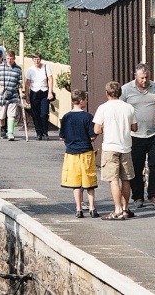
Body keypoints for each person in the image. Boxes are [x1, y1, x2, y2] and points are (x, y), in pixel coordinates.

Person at [121, 63, 155, 209]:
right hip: (135, 135)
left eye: (146, 77)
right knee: (136, 166)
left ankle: (154, 195)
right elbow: (120, 107)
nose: (144, 80)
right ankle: (138, 197)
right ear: (135, 76)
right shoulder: (126, 89)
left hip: (153, 133)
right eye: (141, 78)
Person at [93, 80, 137, 220]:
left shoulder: (103, 108)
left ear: (107, 94)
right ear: (120, 93)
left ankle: (117, 210)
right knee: (126, 179)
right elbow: (135, 127)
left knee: (113, 179)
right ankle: (125, 208)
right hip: (125, 146)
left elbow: (97, 129)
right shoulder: (129, 108)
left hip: (110, 147)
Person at [60, 89, 98, 218]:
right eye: (85, 100)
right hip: (86, 151)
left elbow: (62, 137)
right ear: (81, 101)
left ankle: (78, 208)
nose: (86, 102)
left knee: (75, 183)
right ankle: (92, 208)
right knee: (89, 181)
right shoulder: (87, 117)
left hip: (71, 153)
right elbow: (92, 136)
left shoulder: (66, 117)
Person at [24, 53, 55, 140]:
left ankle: (45, 132)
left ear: (40, 59)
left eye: (38, 59)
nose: (37, 61)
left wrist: (50, 92)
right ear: (33, 60)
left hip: (44, 92)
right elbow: (27, 84)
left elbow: (50, 79)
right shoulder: (30, 70)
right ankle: (39, 132)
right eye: (35, 59)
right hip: (34, 92)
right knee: (35, 114)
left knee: (44, 113)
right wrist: (27, 96)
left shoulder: (46, 67)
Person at [0, 50, 23, 140]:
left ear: (14, 58)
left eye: (11, 59)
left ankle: (10, 133)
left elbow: (20, 82)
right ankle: (2, 128)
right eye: (8, 58)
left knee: (11, 114)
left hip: (13, 95)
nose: (9, 60)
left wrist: (21, 91)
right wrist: (0, 87)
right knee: (1, 115)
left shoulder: (18, 69)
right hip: (1, 95)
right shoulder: (1, 67)